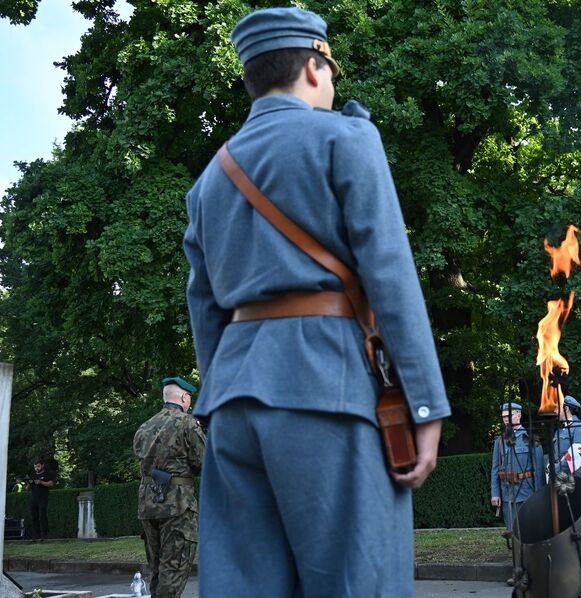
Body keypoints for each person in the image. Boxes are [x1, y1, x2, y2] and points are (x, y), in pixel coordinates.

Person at [182, 7, 450, 596]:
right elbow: (390, 273)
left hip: (233, 403)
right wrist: (426, 404)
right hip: (327, 388)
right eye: (330, 71)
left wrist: (217, 397)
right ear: (312, 67)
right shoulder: (345, 137)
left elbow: (204, 309)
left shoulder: (208, 181)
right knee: (359, 583)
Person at [133, 376, 205, 598]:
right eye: (189, 398)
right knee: (173, 569)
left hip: (148, 504)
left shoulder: (145, 427)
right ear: (184, 397)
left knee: (156, 569)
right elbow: (203, 463)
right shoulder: (187, 423)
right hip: (177, 505)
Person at [491, 402, 545, 532]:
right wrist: (495, 493)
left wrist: (539, 495)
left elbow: (539, 470)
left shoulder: (531, 439)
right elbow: (495, 469)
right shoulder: (500, 441)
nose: (506, 419)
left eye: (509, 416)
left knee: (530, 529)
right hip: (507, 494)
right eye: (504, 416)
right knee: (512, 530)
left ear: (519, 415)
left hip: (527, 492)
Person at [550, 395, 581, 480]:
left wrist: (556, 470)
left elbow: (577, 454)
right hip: (562, 477)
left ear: (566, 409)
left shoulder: (579, 426)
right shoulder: (559, 430)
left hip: (578, 476)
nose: (554, 411)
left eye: (557, 408)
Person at [26, 458, 56, 542]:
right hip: (33, 499)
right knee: (34, 517)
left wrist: (41, 482)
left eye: (38, 466)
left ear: (42, 465)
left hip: (43, 498)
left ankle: (44, 535)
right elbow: (27, 489)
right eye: (35, 467)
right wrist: (29, 484)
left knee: (42, 516)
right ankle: (35, 535)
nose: (36, 468)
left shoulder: (47, 474)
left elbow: (51, 483)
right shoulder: (33, 475)